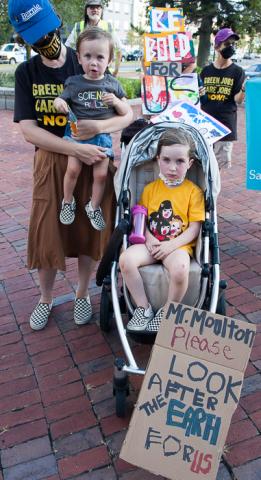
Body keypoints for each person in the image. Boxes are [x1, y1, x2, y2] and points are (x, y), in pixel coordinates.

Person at [8, 0, 133, 331]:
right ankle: (45, 298)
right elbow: (28, 129)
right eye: (35, 37)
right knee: (47, 231)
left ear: (58, 23)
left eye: (47, 32)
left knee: (89, 233)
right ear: (25, 40)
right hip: (52, 160)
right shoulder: (27, 72)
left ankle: (81, 294)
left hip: (93, 156)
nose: (44, 41)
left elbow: (125, 113)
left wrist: (98, 131)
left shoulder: (86, 58)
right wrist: (72, 147)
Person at [119, 128, 205, 334]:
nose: (172, 167)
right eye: (166, 160)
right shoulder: (150, 189)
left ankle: (169, 311)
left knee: (180, 268)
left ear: (190, 164)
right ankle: (143, 308)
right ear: (158, 160)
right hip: (152, 243)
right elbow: (142, 219)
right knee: (125, 260)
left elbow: (194, 228)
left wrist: (171, 245)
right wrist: (148, 238)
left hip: (177, 245)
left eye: (180, 161)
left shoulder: (193, 191)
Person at [54, 28, 130, 230]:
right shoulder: (74, 82)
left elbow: (125, 111)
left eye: (100, 57)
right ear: (78, 57)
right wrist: (58, 103)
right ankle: (67, 201)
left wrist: (116, 101)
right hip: (77, 135)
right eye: (87, 56)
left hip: (101, 138)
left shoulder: (112, 84)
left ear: (109, 60)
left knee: (101, 175)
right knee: (73, 169)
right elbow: (61, 99)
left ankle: (93, 206)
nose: (93, 62)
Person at [200, 27, 246, 170]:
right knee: (203, 165)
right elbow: (200, 99)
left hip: (225, 127)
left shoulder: (238, 71)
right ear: (217, 47)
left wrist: (244, 89)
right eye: (227, 44)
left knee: (218, 168)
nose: (231, 47)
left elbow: (237, 100)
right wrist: (199, 93)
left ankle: (213, 193)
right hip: (205, 125)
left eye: (233, 44)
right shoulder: (206, 71)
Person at [65, 0, 122, 77]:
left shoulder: (108, 27)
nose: (95, 10)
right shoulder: (78, 27)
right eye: (92, 7)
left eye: (98, 8)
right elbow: (67, 49)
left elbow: (119, 49)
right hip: (81, 72)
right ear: (86, 11)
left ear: (101, 10)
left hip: (104, 73)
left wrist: (116, 70)